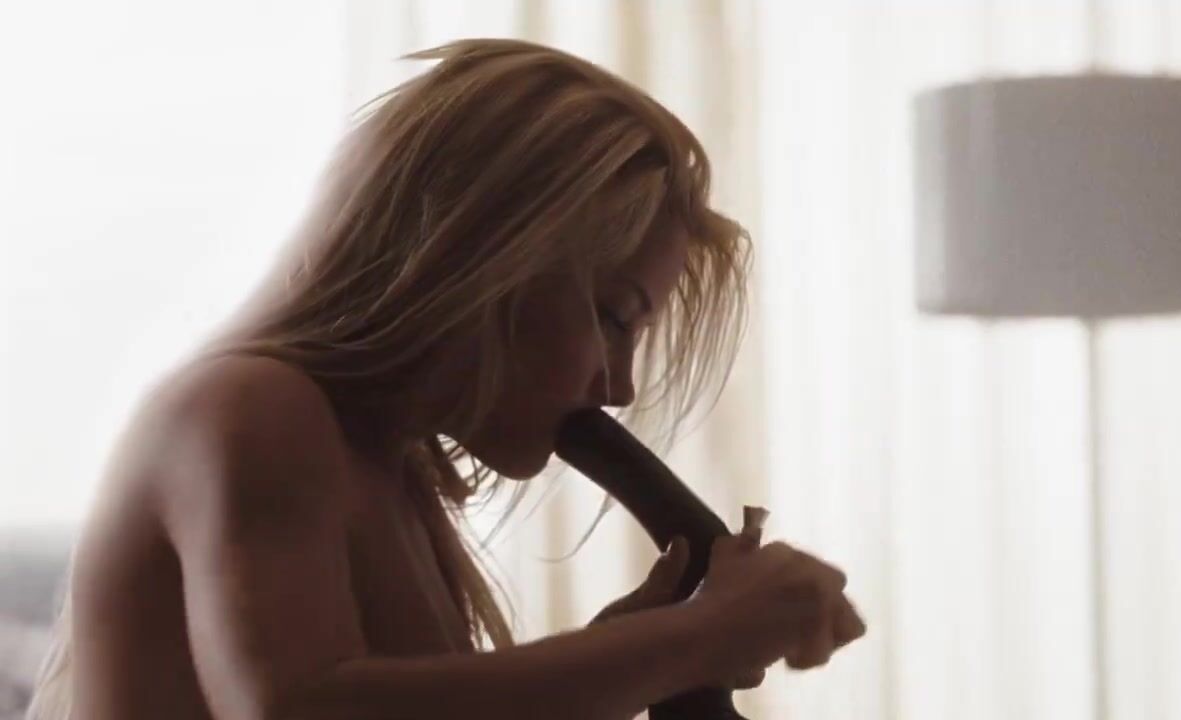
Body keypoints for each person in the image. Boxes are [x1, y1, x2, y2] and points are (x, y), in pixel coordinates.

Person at [27, 38, 864, 720]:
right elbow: (301, 709)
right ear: (484, 261)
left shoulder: (389, 471)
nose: (618, 389)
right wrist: (689, 641)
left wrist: (627, 658)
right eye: (615, 318)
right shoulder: (253, 407)